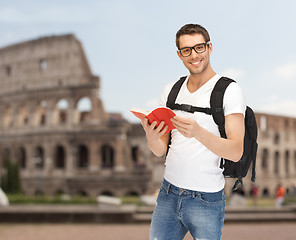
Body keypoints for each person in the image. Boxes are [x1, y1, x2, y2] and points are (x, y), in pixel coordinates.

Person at [141, 24, 246, 240]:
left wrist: (198, 132)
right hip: (168, 193)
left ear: (209, 48)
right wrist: (151, 136)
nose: (194, 55)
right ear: (180, 54)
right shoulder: (170, 91)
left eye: (199, 47)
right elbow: (160, 150)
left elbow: (236, 151)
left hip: (206, 199)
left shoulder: (229, 91)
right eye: (187, 50)